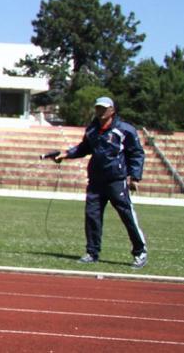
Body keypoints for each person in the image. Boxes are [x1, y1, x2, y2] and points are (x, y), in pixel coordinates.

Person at [44, 96, 147, 268]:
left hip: (116, 180)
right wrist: (67, 154)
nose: (100, 111)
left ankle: (140, 252)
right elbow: (84, 148)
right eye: (98, 108)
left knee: (127, 215)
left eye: (104, 108)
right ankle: (92, 252)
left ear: (112, 110)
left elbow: (137, 153)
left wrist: (134, 176)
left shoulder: (125, 130)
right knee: (92, 217)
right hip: (95, 181)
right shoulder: (92, 129)